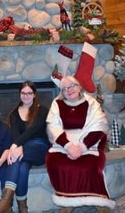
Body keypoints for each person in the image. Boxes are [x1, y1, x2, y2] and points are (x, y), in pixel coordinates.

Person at [45, 76, 116, 213]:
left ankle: (99, 202)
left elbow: (99, 125)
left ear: (79, 86)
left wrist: (82, 148)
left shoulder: (91, 103)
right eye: (64, 89)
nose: (69, 90)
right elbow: (53, 126)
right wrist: (68, 146)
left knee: (89, 165)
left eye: (71, 86)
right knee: (58, 163)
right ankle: (67, 201)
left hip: (88, 144)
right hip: (63, 144)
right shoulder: (57, 103)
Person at [0, 80, 50, 213]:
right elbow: (15, 135)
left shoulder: (42, 110)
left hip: (39, 148)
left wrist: (18, 146)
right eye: (23, 93)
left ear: (34, 94)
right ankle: (22, 207)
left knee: (16, 154)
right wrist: (17, 146)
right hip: (22, 152)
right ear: (19, 94)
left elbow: (33, 130)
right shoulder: (15, 113)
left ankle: (6, 202)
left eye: (29, 93)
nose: (26, 96)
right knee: (21, 169)